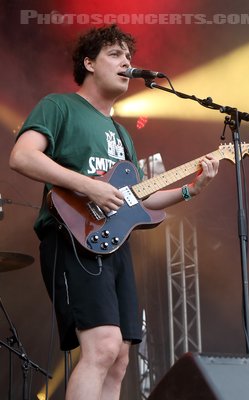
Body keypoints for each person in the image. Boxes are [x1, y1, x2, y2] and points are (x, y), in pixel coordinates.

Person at [9, 25, 219, 400]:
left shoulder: (122, 135)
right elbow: (22, 156)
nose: (127, 63)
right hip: (72, 239)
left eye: (129, 57)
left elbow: (137, 199)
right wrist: (88, 185)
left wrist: (190, 189)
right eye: (115, 55)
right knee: (102, 347)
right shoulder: (59, 106)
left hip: (113, 245)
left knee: (120, 356)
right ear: (89, 63)